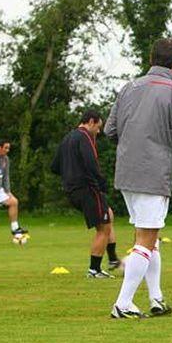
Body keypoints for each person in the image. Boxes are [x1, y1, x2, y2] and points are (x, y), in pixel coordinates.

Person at [104, 38, 172, 318]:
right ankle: (122, 304)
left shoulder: (128, 88)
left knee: (151, 237)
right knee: (146, 240)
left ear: (151, 58)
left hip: (126, 172)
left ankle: (156, 298)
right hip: (154, 173)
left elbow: (110, 130)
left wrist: (132, 144)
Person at [50, 109, 120, 279]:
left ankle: (112, 259)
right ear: (91, 121)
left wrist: (70, 174)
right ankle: (94, 269)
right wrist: (101, 182)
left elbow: (54, 166)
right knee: (103, 227)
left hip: (71, 189)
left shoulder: (68, 138)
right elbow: (91, 162)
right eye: (98, 127)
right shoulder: (84, 137)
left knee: (108, 214)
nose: (98, 132)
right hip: (87, 187)